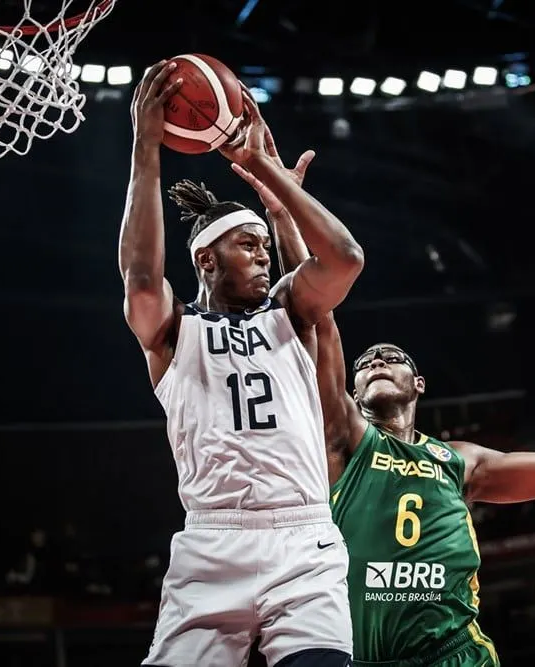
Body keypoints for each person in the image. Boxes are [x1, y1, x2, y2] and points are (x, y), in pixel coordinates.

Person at [234, 145, 535, 667]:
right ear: (352, 389)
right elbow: (316, 314)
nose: (377, 362)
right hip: (365, 658)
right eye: (366, 362)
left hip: (454, 653)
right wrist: (283, 206)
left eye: (392, 358)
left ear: (418, 384)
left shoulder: (460, 461)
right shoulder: (346, 440)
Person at [120, 63, 364, 667]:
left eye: (265, 244)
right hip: (211, 544)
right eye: (248, 244)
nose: (264, 254)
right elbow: (143, 278)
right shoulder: (175, 332)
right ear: (206, 258)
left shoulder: (292, 313)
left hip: (303, 539)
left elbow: (345, 259)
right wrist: (145, 147)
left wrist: (268, 173)